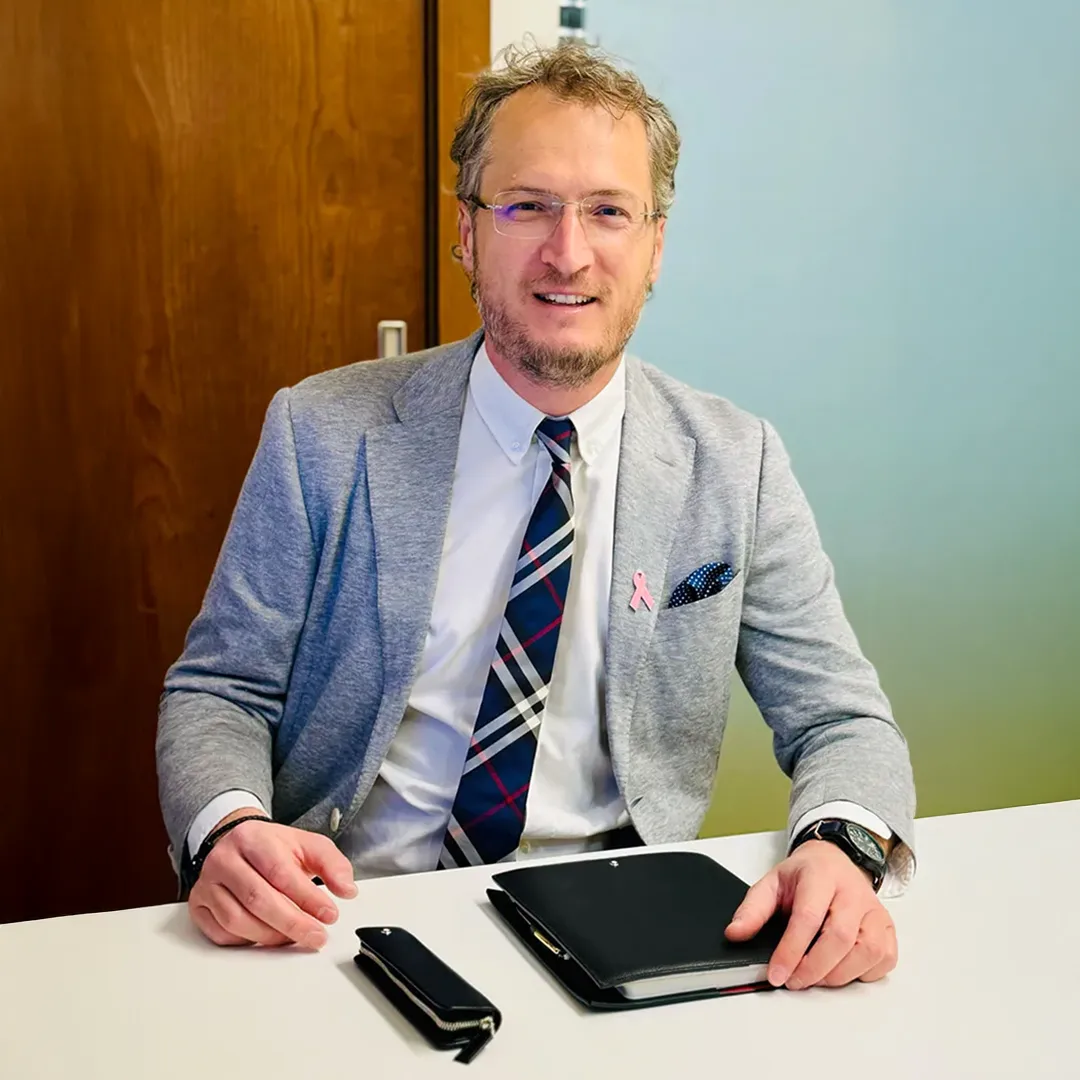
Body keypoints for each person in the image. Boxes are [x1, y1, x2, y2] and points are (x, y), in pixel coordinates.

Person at [157, 43, 915, 993]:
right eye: (527, 206)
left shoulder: (736, 463)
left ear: (656, 246)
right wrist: (228, 826)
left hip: (616, 934)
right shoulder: (324, 433)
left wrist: (844, 846)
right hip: (341, 924)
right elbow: (220, 689)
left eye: (608, 211)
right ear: (466, 232)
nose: (570, 252)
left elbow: (843, 718)